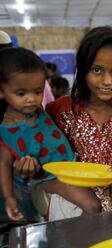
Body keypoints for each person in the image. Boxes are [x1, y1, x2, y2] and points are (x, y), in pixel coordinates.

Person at [46, 26, 112, 219]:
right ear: (83, 69)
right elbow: (42, 152)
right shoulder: (59, 110)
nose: (107, 81)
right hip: (71, 206)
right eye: (97, 70)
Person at [0, 47, 100, 221]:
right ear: (1, 91)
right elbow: (4, 164)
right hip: (50, 177)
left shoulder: (38, 111)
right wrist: (9, 197)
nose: (31, 99)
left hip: (73, 167)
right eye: (21, 93)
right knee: (93, 205)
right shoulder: (6, 131)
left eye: (38, 92)